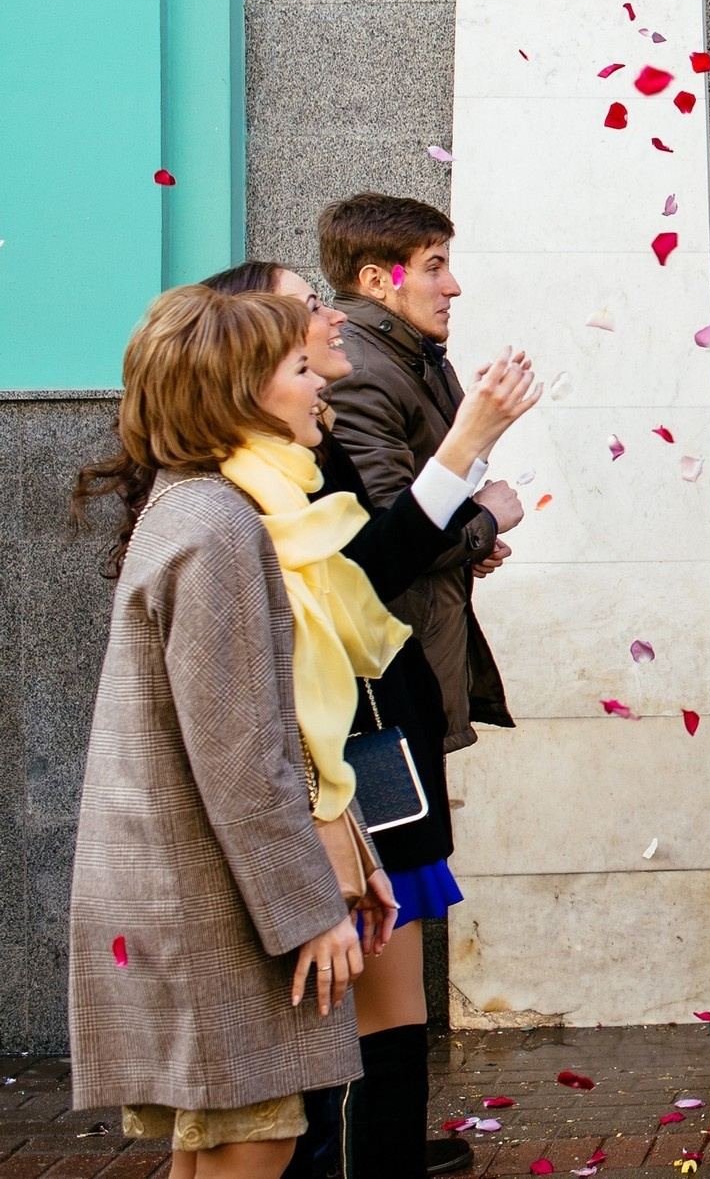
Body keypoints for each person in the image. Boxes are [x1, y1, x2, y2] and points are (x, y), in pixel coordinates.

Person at [203, 261, 539, 1179]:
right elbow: (372, 563)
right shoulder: (236, 497)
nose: (330, 320)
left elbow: (366, 558)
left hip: (380, 738)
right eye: (310, 308)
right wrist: (468, 449)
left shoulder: (304, 443)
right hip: (345, 758)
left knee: (386, 1004)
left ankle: (376, 1150)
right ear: (254, 349)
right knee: (367, 1013)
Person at [68, 286, 395, 1179]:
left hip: (218, 890)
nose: (318, 387)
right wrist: (306, 912)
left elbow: (277, 734)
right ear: (239, 395)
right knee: (256, 1135)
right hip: (218, 904)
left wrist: (350, 856)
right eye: (297, 370)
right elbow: (242, 754)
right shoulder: (217, 525)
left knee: (226, 1141)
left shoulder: (211, 510)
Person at [316, 195, 518, 758]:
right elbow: (391, 532)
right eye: (434, 267)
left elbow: (431, 496)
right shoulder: (359, 371)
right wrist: (483, 523)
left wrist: (470, 534)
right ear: (379, 280)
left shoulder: (412, 354)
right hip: (393, 663)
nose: (452, 286)